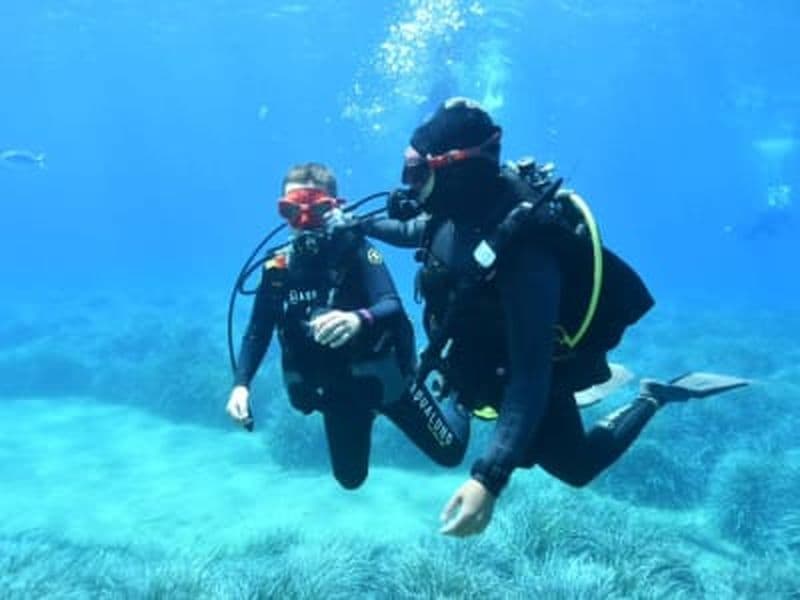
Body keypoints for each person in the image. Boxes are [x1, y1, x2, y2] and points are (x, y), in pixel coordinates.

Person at [369, 97, 748, 536]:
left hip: (521, 376)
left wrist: (488, 479)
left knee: (578, 469)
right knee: (458, 420)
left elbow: (531, 377)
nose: (405, 185)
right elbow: (415, 231)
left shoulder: (527, 252)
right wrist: (352, 225)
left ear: (455, 169)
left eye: (417, 172)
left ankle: (652, 395)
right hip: (476, 358)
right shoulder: (452, 214)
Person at [226, 162, 469, 490]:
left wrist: (357, 319)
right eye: (291, 210)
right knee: (350, 480)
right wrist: (242, 384)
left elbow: (391, 305)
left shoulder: (355, 251)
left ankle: (459, 394)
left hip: (389, 380)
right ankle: (365, 417)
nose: (303, 222)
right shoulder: (278, 268)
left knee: (451, 454)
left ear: (335, 207)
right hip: (339, 392)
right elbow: (258, 329)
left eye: (317, 211)